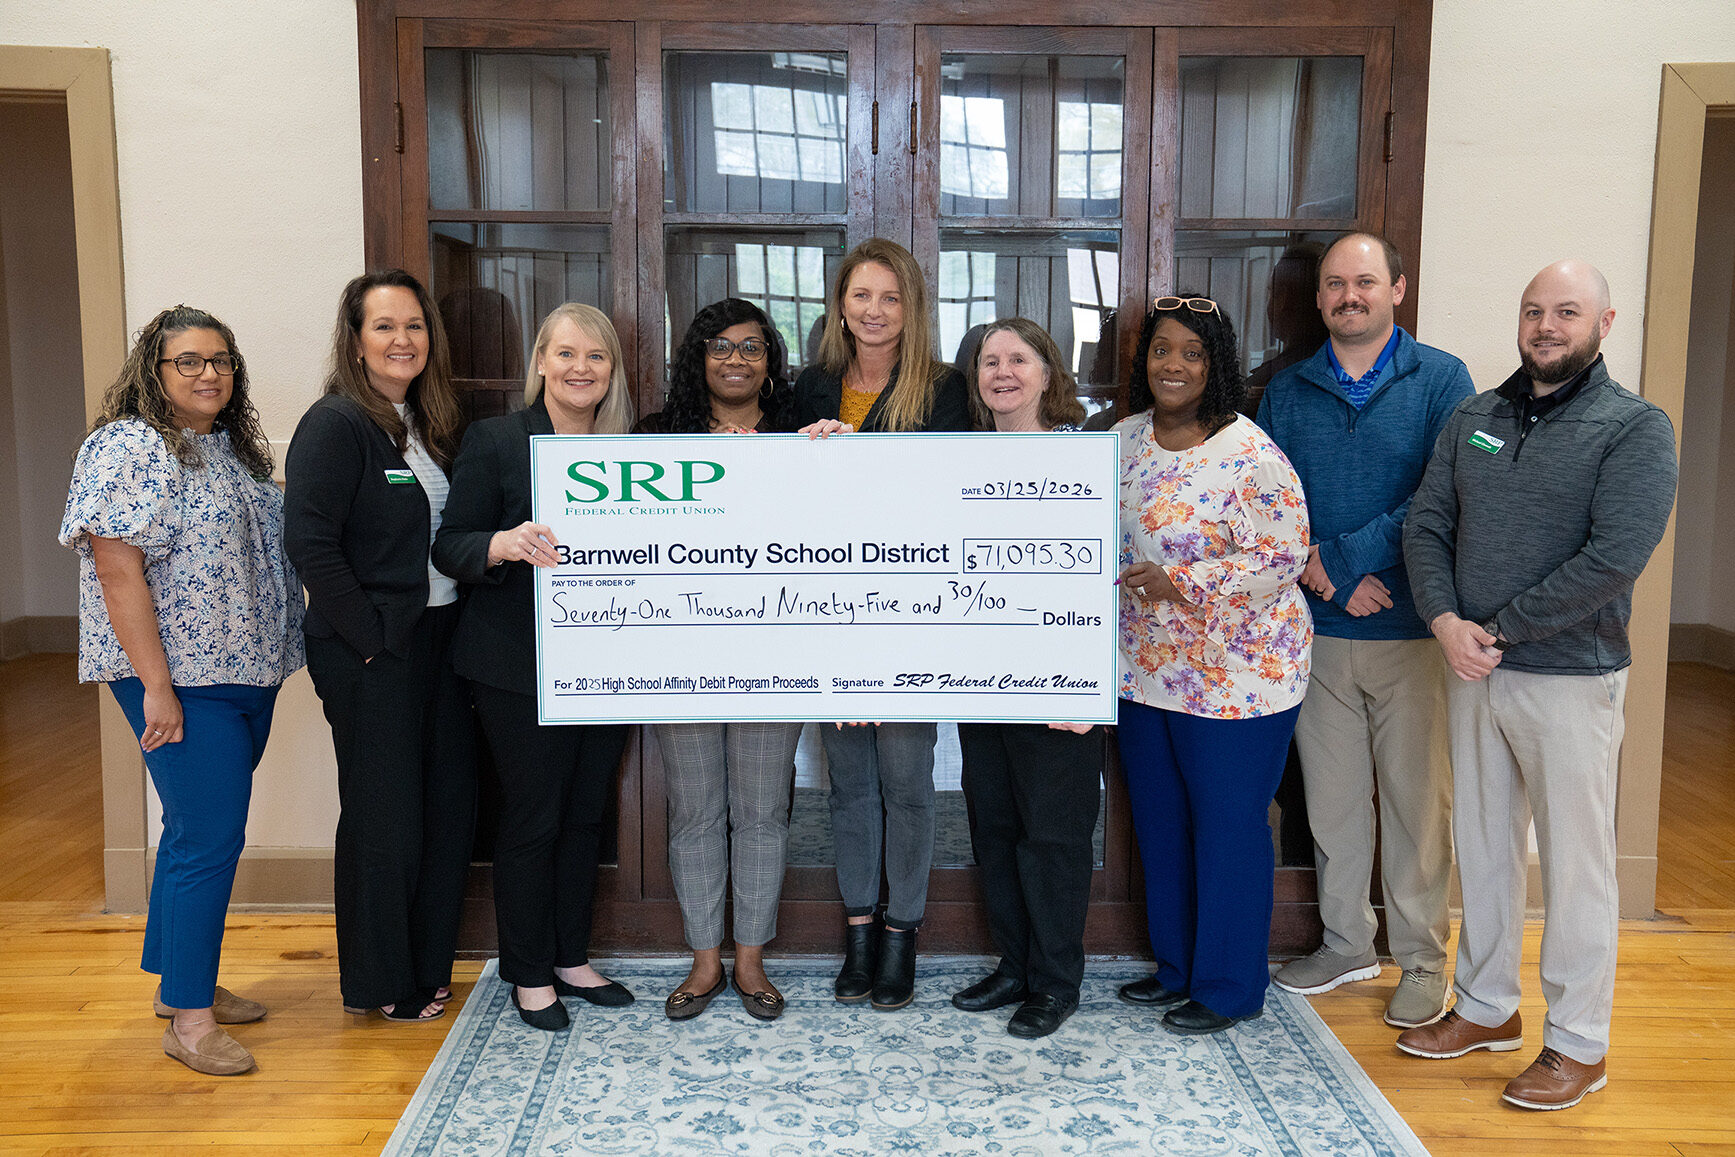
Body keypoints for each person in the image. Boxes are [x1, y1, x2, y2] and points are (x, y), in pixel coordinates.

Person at [1398, 261, 1677, 1110]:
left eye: (1565, 311)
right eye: (1532, 310)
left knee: (1575, 864)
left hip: (1567, 678)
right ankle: (1486, 1008)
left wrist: (1501, 628)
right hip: (1470, 666)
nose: (1545, 325)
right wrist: (1446, 622)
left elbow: (1614, 557)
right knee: (1481, 847)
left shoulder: (1633, 427)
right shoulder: (1473, 416)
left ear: (1604, 322)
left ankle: (1577, 1044)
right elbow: (1427, 523)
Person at [60, 306, 304, 1074]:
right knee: (210, 835)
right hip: (180, 677)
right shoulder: (127, 446)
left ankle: (179, 983)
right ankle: (191, 1024)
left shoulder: (226, 449)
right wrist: (156, 688)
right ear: (153, 370)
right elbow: (115, 566)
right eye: (190, 361)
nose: (210, 374)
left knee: (192, 830)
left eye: (222, 361)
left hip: (244, 671)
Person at [1258, 233, 1474, 1029]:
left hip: (1413, 627)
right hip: (1313, 629)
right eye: (1335, 284)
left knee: (1419, 806)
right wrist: (1328, 579)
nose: (1350, 295)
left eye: (1365, 282)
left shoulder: (1441, 379)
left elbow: (1442, 495)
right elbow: (1271, 502)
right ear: (1318, 299)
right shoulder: (1287, 390)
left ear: (1397, 289)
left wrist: (1345, 563)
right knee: (1334, 803)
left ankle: (1421, 958)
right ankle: (1348, 941)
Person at [432, 302, 636, 1032]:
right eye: (566, 353)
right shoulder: (495, 440)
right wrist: (502, 542)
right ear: (541, 362)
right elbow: (449, 545)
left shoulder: (631, 450)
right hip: (518, 666)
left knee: (585, 815)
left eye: (597, 356)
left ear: (612, 371)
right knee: (533, 816)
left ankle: (568, 954)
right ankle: (527, 971)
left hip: (609, 663)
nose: (581, 368)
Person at [1113, 294, 1312, 1035]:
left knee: (1226, 827)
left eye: (1191, 353)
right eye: (1162, 349)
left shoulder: (1248, 452)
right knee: (1161, 823)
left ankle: (1228, 985)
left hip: (1239, 677)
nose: (1173, 364)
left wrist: (1185, 581)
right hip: (1144, 669)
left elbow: (1282, 555)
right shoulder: (1124, 439)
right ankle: (1177, 969)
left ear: (1215, 365)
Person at [284, 269, 476, 1023]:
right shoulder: (336, 424)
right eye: (384, 327)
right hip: (373, 654)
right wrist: (369, 642)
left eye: (414, 326)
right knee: (384, 819)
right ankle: (380, 982)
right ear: (356, 341)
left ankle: (426, 969)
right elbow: (309, 543)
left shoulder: (427, 425)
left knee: (441, 810)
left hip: (439, 643)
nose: (402, 340)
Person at [792, 237, 971, 1010]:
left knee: (906, 781)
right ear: (840, 305)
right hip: (828, 617)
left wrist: (859, 453)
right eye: (861, 296)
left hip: (912, 617)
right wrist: (805, 453)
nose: (873, 311)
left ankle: (902, 933)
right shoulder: (808, 388)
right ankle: (858, 929)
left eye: (890, 298)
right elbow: (780, 504)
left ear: (912, 308)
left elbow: (950, 498)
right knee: (848, 787)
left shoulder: (945, 389)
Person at [633, 299, 804, 1021]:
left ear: (771, 362)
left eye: (752, 347)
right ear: (696, 358)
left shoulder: (805, 439)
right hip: (684, 655)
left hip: (779, 652)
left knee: (762, 811)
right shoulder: (653, 438)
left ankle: (752, 960)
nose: (736, 360)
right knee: (696, 810)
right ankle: (704, 961)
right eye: (719, 347)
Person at [949, 318, 1103, 1039]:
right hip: (982, 678)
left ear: (1047, 372)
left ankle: (1054, 980)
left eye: (1018, 359)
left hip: (1060, 686)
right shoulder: (961, 457)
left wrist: (1090, 687)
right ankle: (1013, 963)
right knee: (997, 827)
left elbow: (1109, 579)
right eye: (988, 361)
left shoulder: (1084, 457)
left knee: (1054, 837)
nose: (1002, 372)